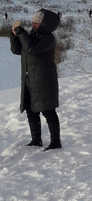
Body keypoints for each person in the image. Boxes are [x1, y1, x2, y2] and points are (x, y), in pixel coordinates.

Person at [10, 9, 62, 150]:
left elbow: (33, 50)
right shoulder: (32, 36)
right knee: (31, 110)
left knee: (48, 111)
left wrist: (22, 33)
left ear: (45, 24)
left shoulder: (48, 39)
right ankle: (36, 140)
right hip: (30, 80)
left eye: (37, 23)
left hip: (44, 80)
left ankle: (56, 142)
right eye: (33, 22)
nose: (34, 25)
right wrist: (14, 35)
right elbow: (17, 50)